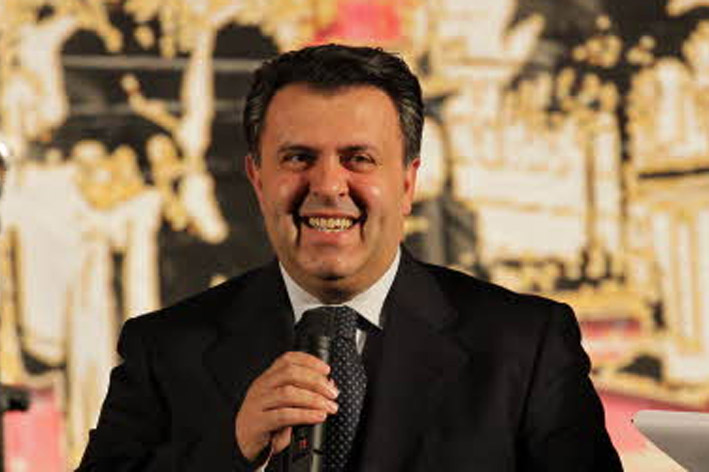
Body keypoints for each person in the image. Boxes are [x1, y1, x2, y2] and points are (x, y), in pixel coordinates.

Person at [77, 44, 622, 471]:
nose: (328, 185)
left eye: (358, 158)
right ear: (258, 179)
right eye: (298, 157)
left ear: (407, 182)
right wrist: (232, 449)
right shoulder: (164, 349)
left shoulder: (526, 347)